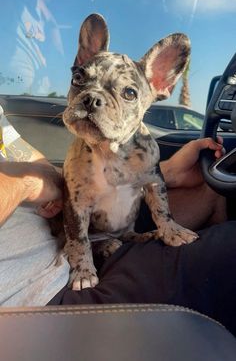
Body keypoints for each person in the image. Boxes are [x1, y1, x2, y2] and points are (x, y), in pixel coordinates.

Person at [0, 106, 236, 337]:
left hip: (78, 234)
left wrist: (167, 172)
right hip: (39, 300)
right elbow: (34, 174)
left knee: (208, 189)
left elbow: (41, 165)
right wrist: (28, 182)